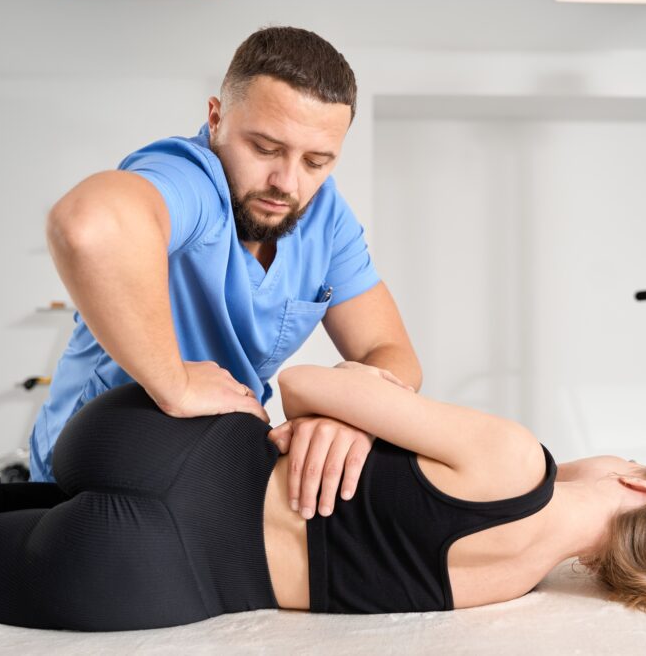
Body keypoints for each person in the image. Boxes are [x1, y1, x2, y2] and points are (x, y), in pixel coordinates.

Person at [0, 365, 646, 630]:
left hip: (176, 444)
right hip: (152, 580)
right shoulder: (512, 586)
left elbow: (302, 378)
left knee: (226, 402)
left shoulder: (519, 462)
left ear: (639, 482)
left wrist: (332, 418)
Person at [30, 27, 421, 521]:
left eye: (316, 161)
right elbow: (87, 225)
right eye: (264, 148)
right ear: (215, 118)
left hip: (213, 464)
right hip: (94, 467)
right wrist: (174, 382)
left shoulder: (325, 215)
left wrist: (354, 409)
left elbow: (391, 354)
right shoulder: (191, 179)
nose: (287, 183)